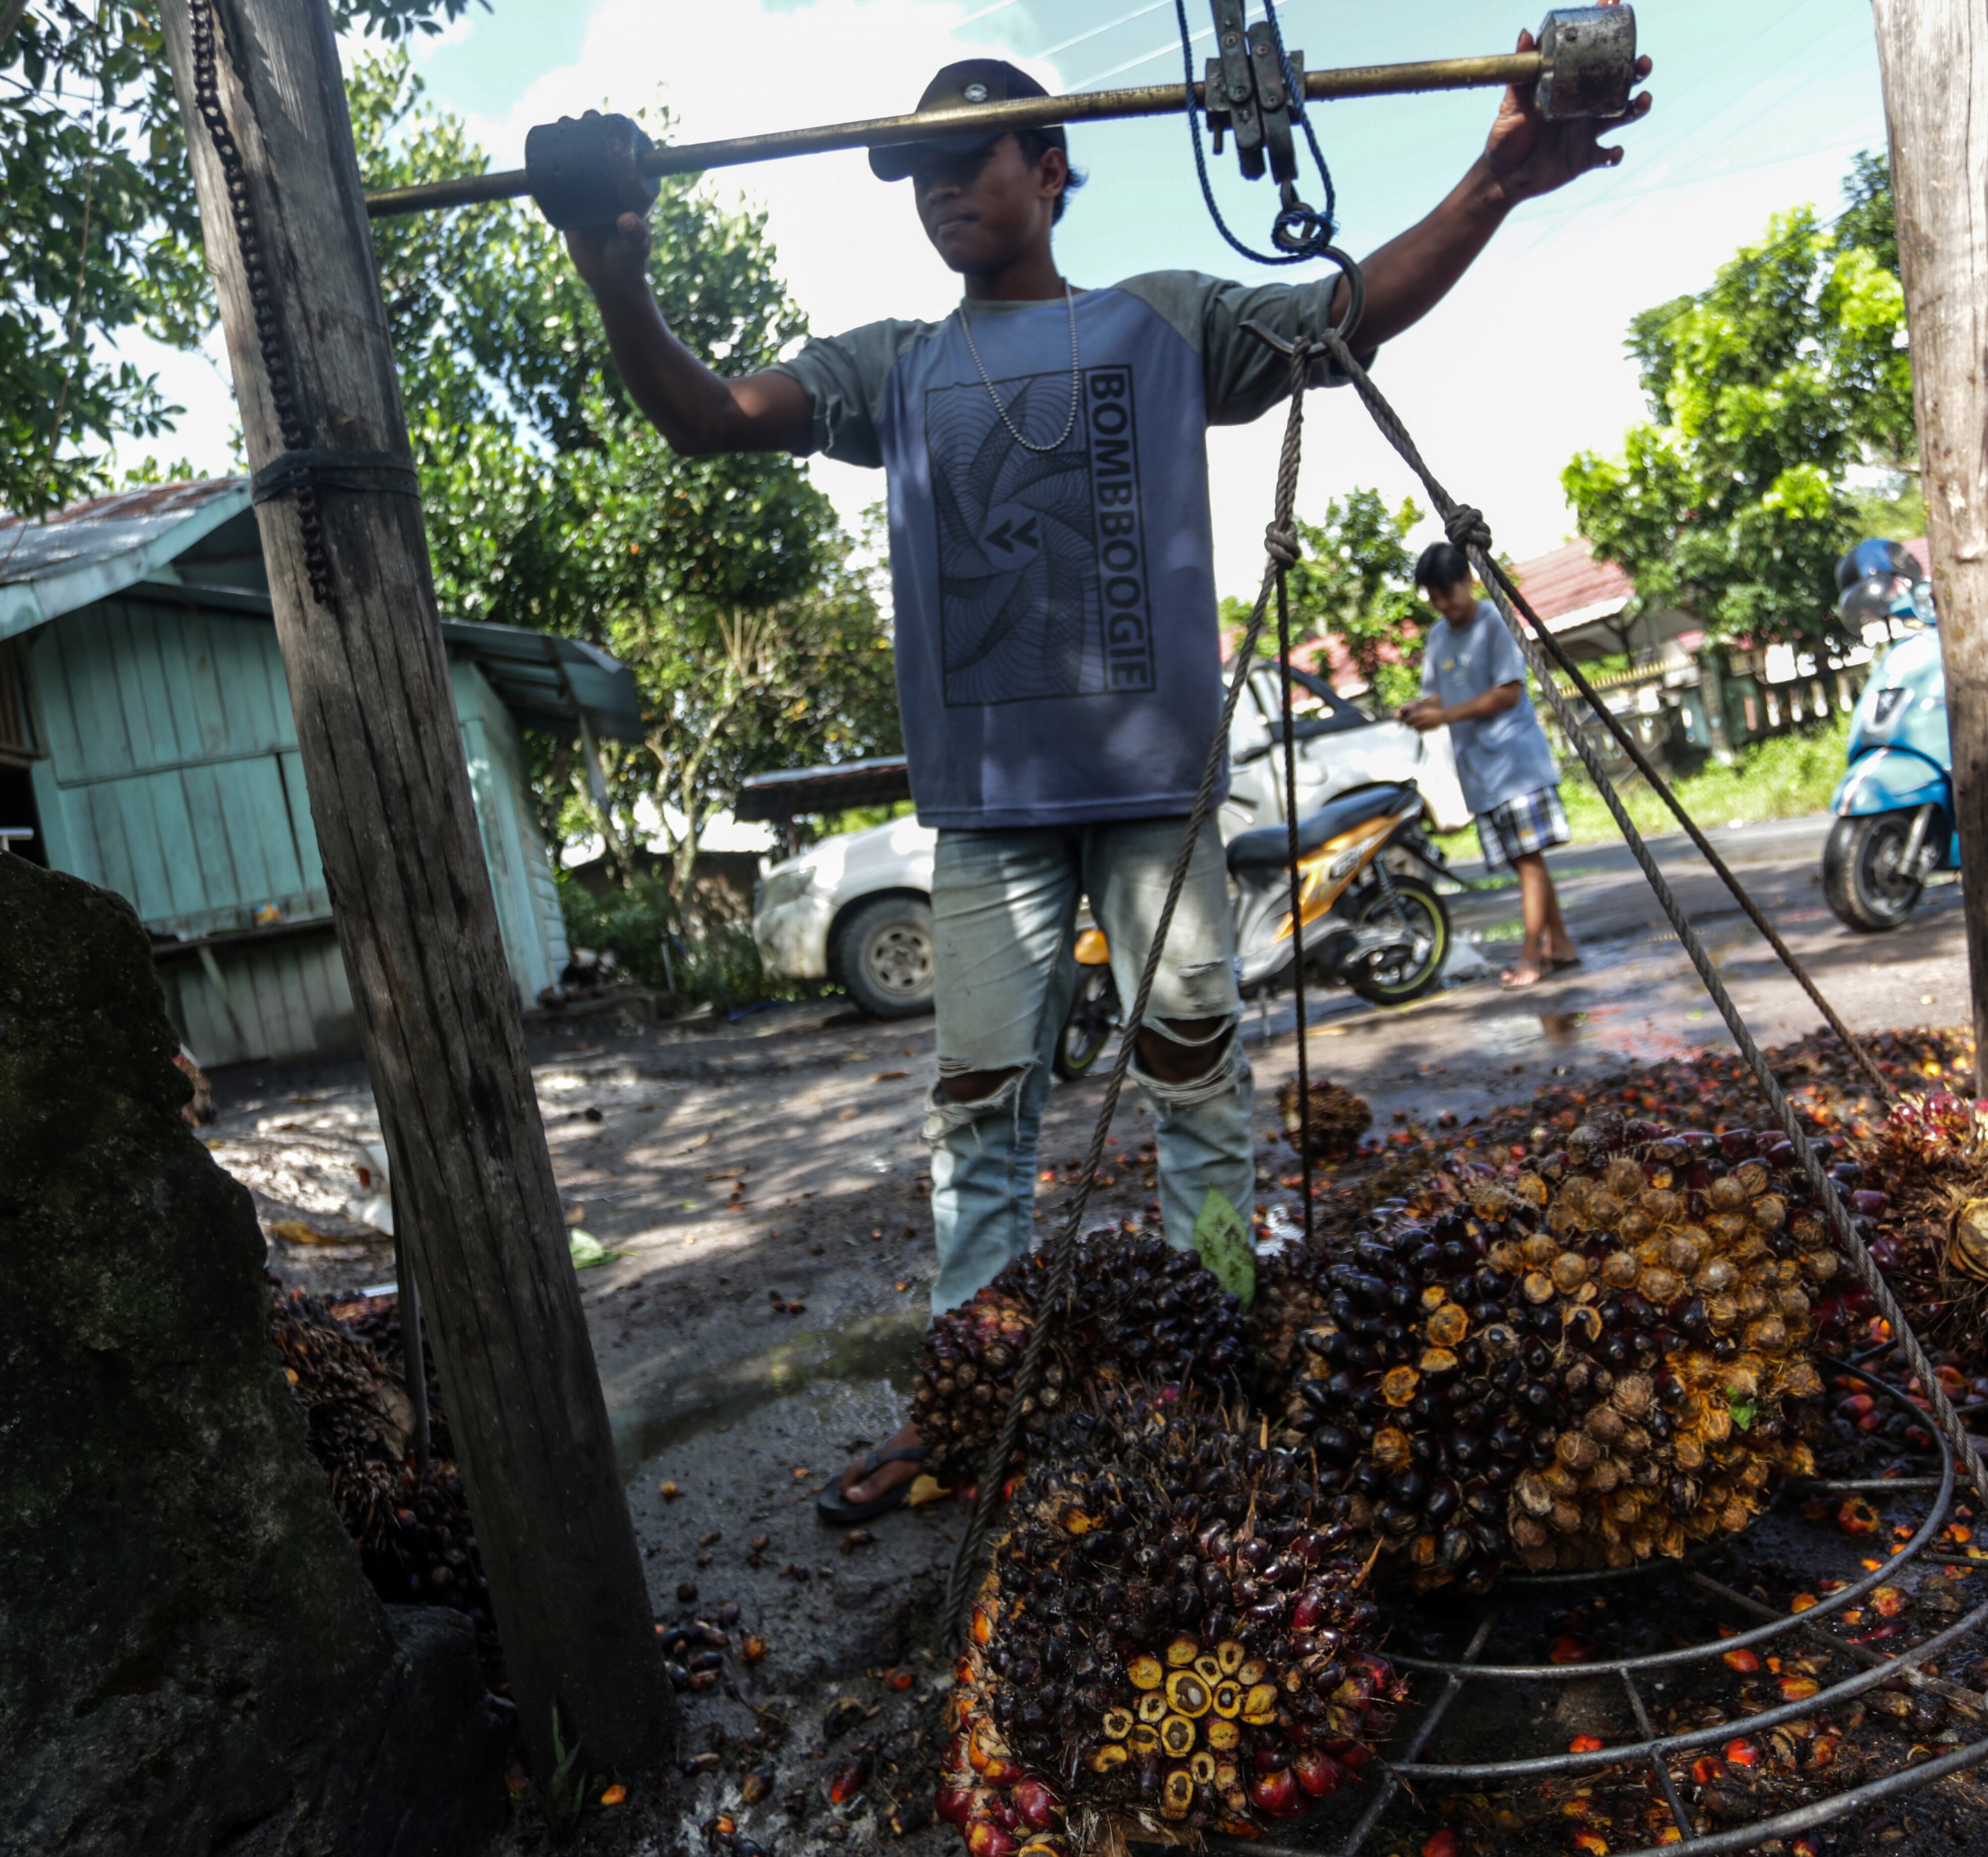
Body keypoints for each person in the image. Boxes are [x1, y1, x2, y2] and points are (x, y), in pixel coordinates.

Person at [556, 43, 1649, 1524]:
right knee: (981, 1114)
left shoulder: (1164, 324)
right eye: (922, 169)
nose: (946, 185)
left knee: (1196, 1082)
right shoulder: (893, 367)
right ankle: (978, 1398)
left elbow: (1346, 316)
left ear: (1053, 167)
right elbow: (704, 414)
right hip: (988, 815)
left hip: (1154, 801)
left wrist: (1495, 184)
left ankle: (1218, 1355)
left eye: (977, 156)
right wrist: (611, 269)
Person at [1402, 542, 1576, 987]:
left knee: (1529, 859)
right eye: (1434, 598)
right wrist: (1420, 711)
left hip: (1514, 763)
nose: (1443, 605)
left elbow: (1508, 692)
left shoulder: (1495, 623)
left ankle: (1531, 957)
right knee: (1525, 861)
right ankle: (1561, 944)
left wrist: (1444, 715)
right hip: (1479, 772)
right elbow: (1439, 696)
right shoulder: (1438, 637)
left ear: (1468, 581)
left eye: (1448, 594)